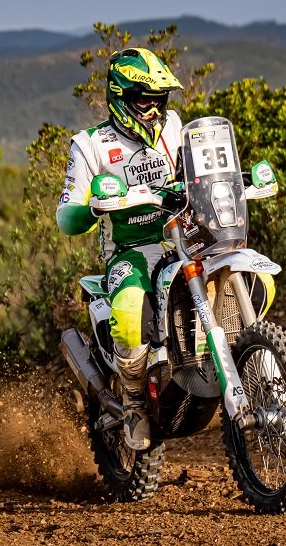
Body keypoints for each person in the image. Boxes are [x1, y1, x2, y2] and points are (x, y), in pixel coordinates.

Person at [56, 47, 183, 450]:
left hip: (182, 239)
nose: (154, 108)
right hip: (130, 252)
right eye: (144, 99)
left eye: (159, 99)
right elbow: (65, 216)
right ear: (120, 96)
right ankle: (132, 402)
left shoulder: (174, 127)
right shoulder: (90, 145)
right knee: (129, 314)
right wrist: (93, 207)